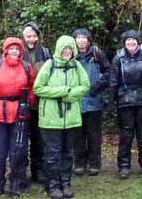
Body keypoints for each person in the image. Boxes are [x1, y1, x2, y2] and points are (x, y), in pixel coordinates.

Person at [33, 35, 90, 199]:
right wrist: (62, 91)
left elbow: (85, 86)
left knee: (67, 153)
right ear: (59, 49)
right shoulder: (49, 65)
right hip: (51, 120)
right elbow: (38, 88)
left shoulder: (76, 65)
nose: (67, 52)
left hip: (71, 119)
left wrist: (70, 95)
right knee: (52, 154)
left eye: (70, 49)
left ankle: (65, 183)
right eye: (64, 49)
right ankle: (52, 186)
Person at [0, 37, 36, 198]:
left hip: (20, 114)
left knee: (19, 150)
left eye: (17, 49)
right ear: (5, 50)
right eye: (11, 48)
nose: (13, 51)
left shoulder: (26, 67)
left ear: (21, 51)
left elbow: (32, 87)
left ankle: (16, 182)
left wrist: (29, 102)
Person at [109, 30, 142, 179]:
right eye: (128, 40)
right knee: (126, 134)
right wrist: (111, 102)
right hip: (125, 100)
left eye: (133, 40)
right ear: (124, 43)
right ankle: (124, 166)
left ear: (138, 41)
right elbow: (113, 81)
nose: (131, 42)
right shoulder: (118, 58)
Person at [71, 28, 111, 176]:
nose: (81, 41)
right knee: (77, 135)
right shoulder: (70, 56)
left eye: (84, 38)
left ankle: (94, 164)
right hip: (76, 101)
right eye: (78, 38)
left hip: (94, 100)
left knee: (94, 134)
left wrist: (97, 88)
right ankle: (79, 163)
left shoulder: (97, 54)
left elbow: (108, 72)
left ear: (89, 40)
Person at [21, 22, 51, 183]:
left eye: (34, 36)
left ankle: (38, 171)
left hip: (40, 104)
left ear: (38, 37)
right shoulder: (17, 53)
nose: (31, 39)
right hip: (22, 104)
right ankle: (20, 173)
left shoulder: (45, 53)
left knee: (39, 140)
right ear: (23, 37)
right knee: (20, 140)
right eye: (28, 36)